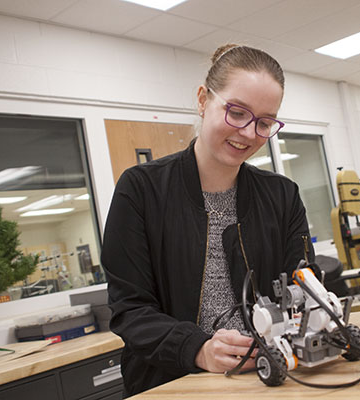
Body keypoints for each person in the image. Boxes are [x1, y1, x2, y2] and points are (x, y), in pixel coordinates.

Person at [101, 44, 315, 397]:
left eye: (264, 122)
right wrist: (198, 349)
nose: (248, 133)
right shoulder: (141, 190)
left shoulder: (282, 196)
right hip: (173, 384)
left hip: (270, 379)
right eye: (236, 112)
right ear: (203, 100)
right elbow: (130, 310)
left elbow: (303, 284)